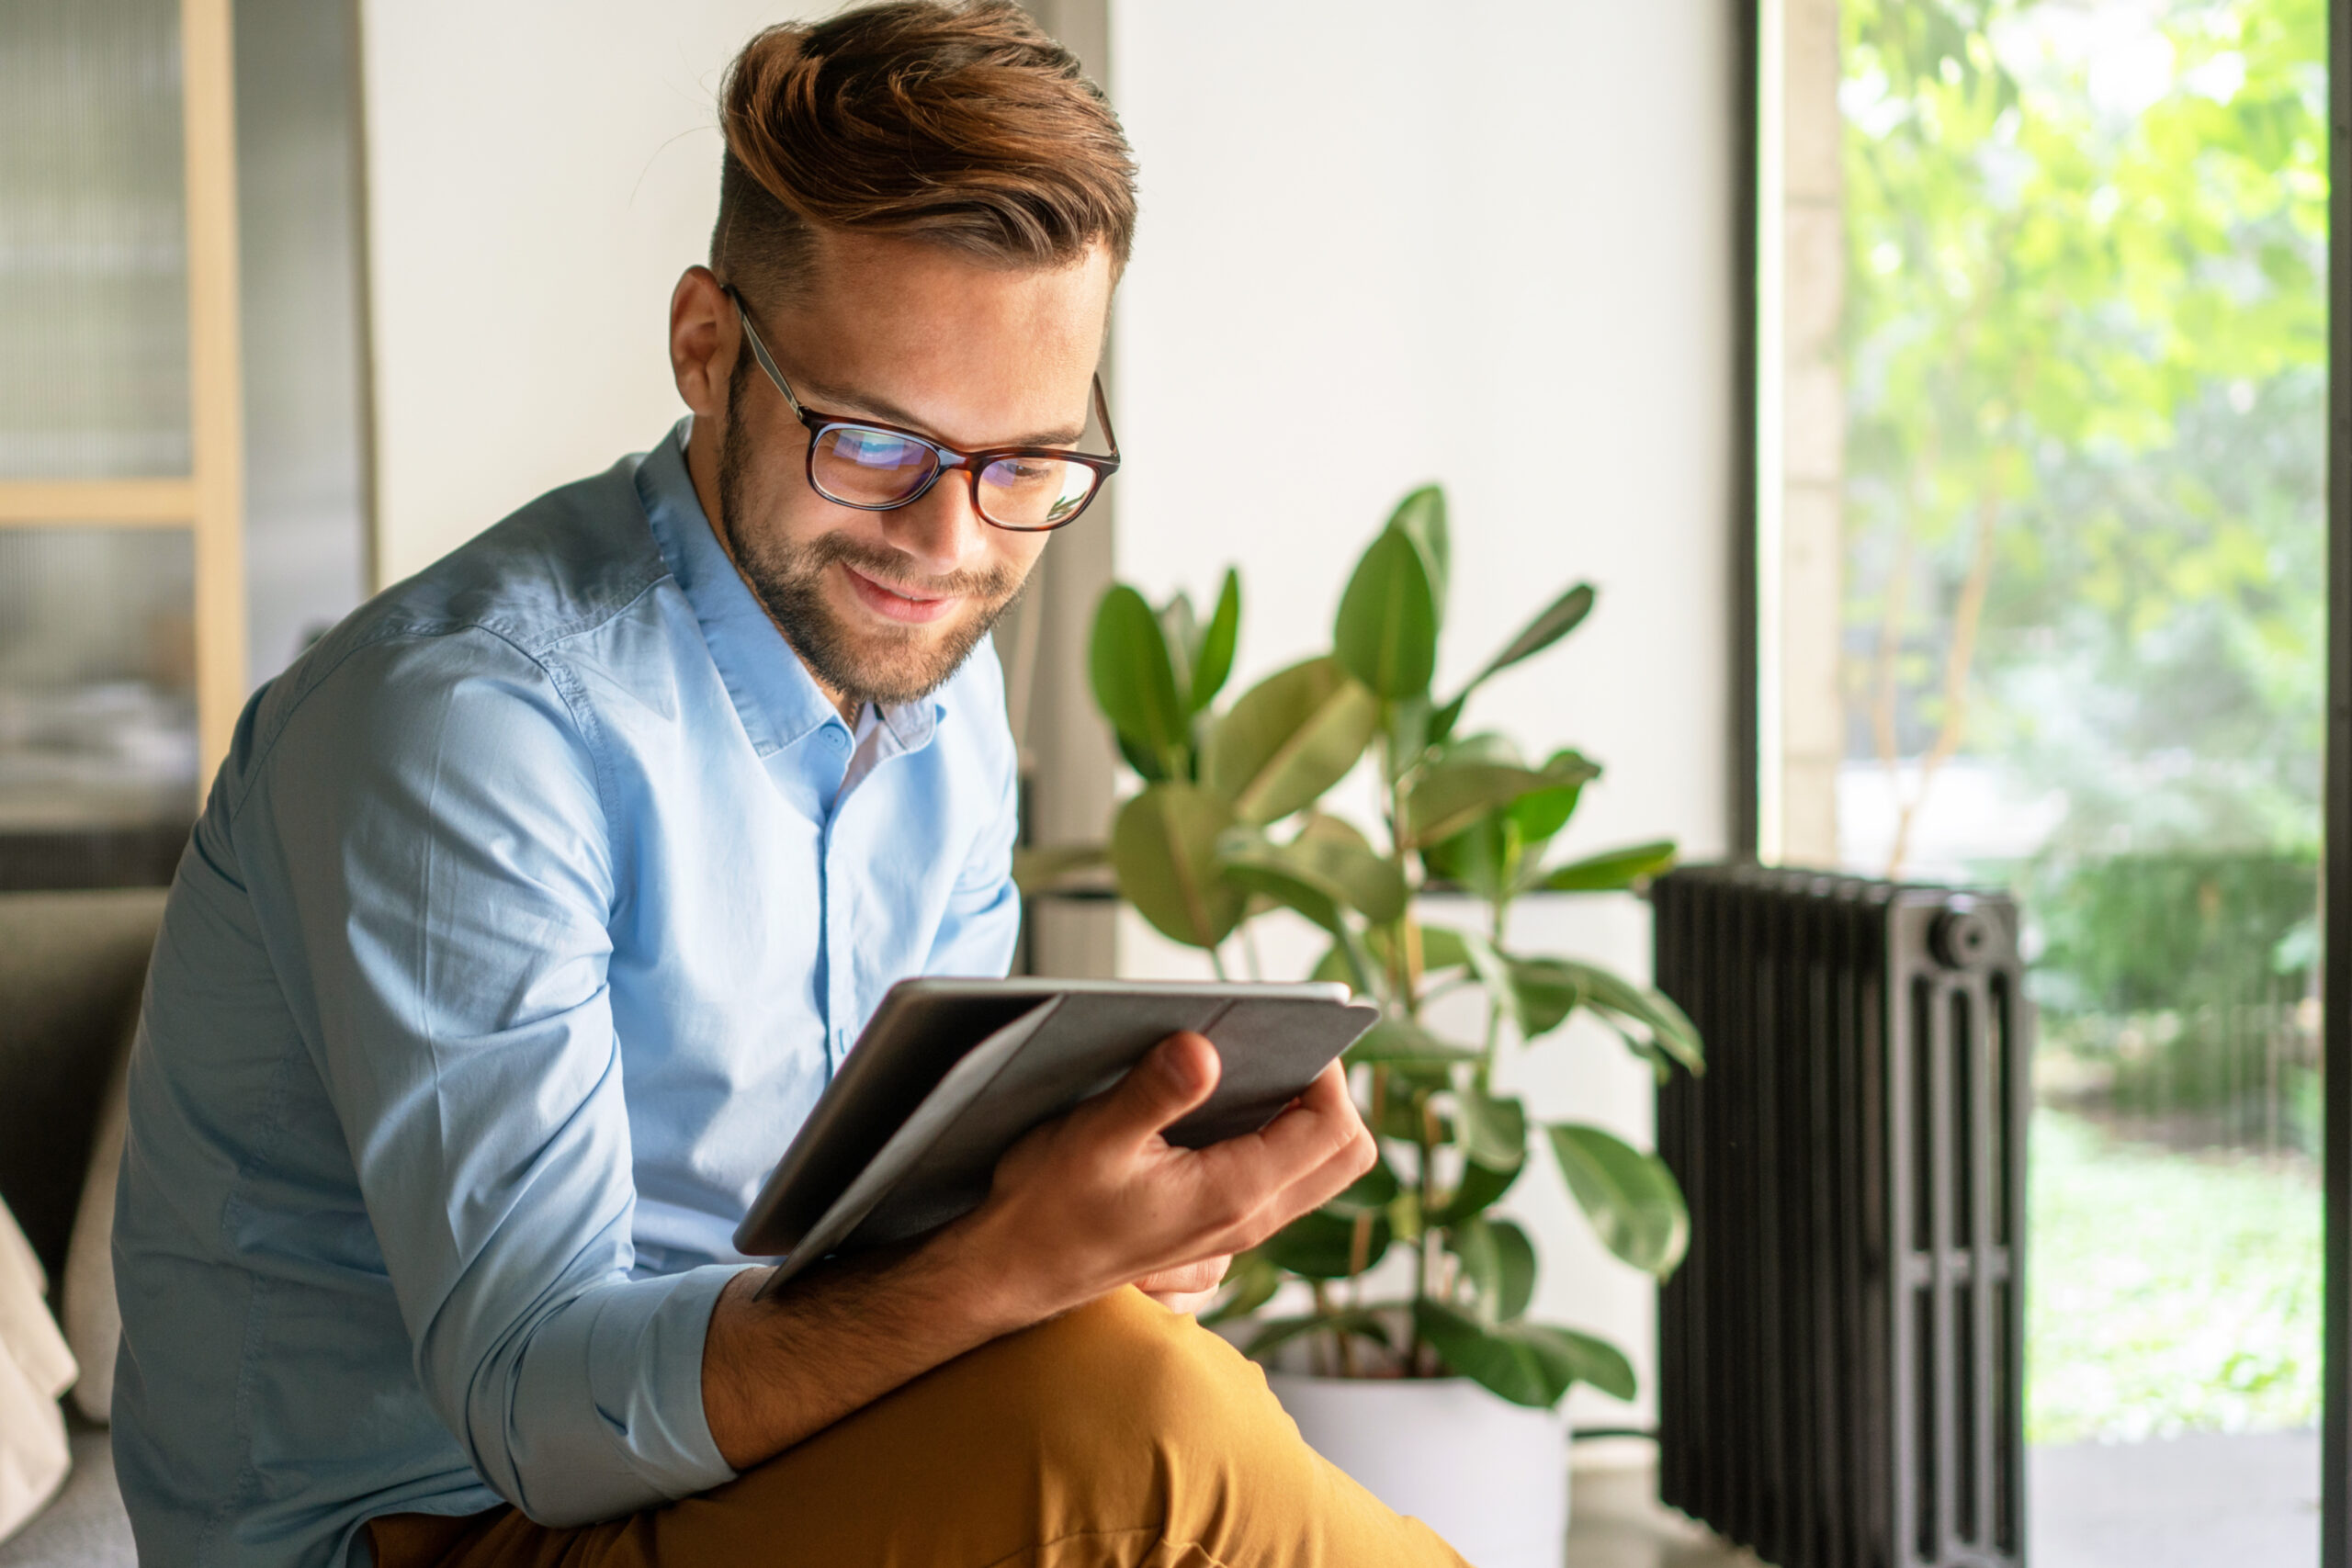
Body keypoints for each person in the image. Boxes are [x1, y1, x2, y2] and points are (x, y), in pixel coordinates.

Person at [110, 5, 1469, 1564]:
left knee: (1141, 1373)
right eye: (877, 443)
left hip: (764, 1457)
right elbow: (535, 1410)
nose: (952, 546)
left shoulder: (935, 702)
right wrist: (1011, 1270)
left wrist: (1107, 1236)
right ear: (707, 348)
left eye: (1027, 465)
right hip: (436, 1526)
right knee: (1145, 1437)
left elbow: (882, 1241)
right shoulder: (470, 729)